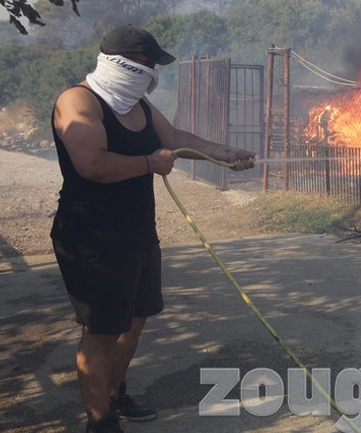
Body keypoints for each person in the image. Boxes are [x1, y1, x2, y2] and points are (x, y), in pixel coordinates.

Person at [50, 25, 255, 433]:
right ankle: (100, 422)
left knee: (136, 318)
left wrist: (223, 153)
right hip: (91, 235)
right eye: (149, 65)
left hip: (138, 230)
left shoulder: (137, 103)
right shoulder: (77, 101)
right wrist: (149, 164)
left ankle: (113, 392)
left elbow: (173, 138)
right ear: (129, 63)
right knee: (102, 330)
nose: (152, 75)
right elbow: (91, 164)